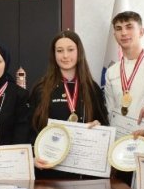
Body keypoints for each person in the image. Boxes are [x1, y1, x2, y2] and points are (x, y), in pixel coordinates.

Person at [29, 30, 109, 179]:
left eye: (70, 50)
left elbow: (105, 124)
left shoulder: (92, 88)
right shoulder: (41, 89)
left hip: (84, 173)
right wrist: (33, 157)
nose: (65, 55)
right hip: (49, 170)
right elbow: (31, 128)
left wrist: (99, 127)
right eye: (60, 51)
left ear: (79, 52)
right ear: (54, 55)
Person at [103, 11, 144, 127]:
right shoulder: (111, 71)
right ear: (115, 35)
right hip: (121, 135)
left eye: (129, 27)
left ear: (141, 32)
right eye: (118, 28)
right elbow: (110, 110)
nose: (123, 33)